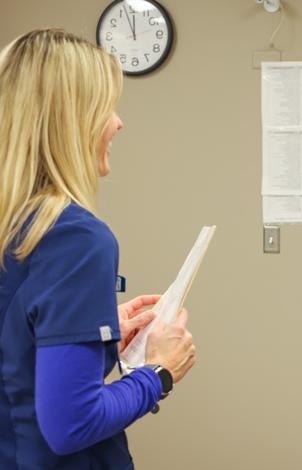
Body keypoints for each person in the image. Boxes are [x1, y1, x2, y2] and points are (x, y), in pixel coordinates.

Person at [0, 29, 196, 469]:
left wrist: (99, 335)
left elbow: (15, 355)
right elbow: (72, 424)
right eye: (106, 107)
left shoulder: (13, 226)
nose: (118, 123)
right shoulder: (74, 238)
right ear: (71, 121)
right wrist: (158, 373)